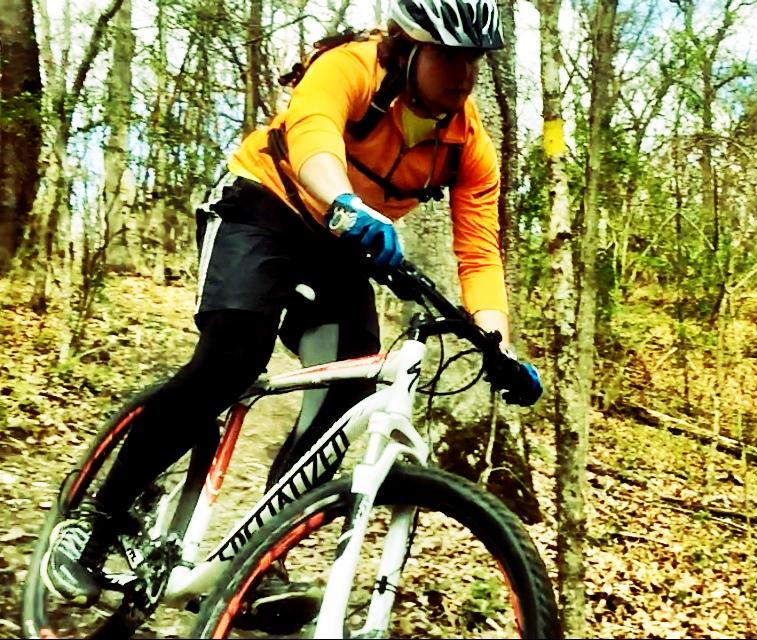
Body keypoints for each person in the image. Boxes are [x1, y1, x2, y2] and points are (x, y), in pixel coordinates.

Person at [40, 0, 541, 631]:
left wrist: (495, 343)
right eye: (449, 54)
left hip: (341, 248)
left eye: (475, 59)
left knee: (351, 394)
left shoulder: (469, 146)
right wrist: (345, 201)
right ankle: (96, 519)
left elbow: (479, 251)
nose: (464, 73)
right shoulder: (351, 66)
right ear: (409, 46)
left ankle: (262, 554)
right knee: (233, 357)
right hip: (263, 207)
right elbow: (312, 136)